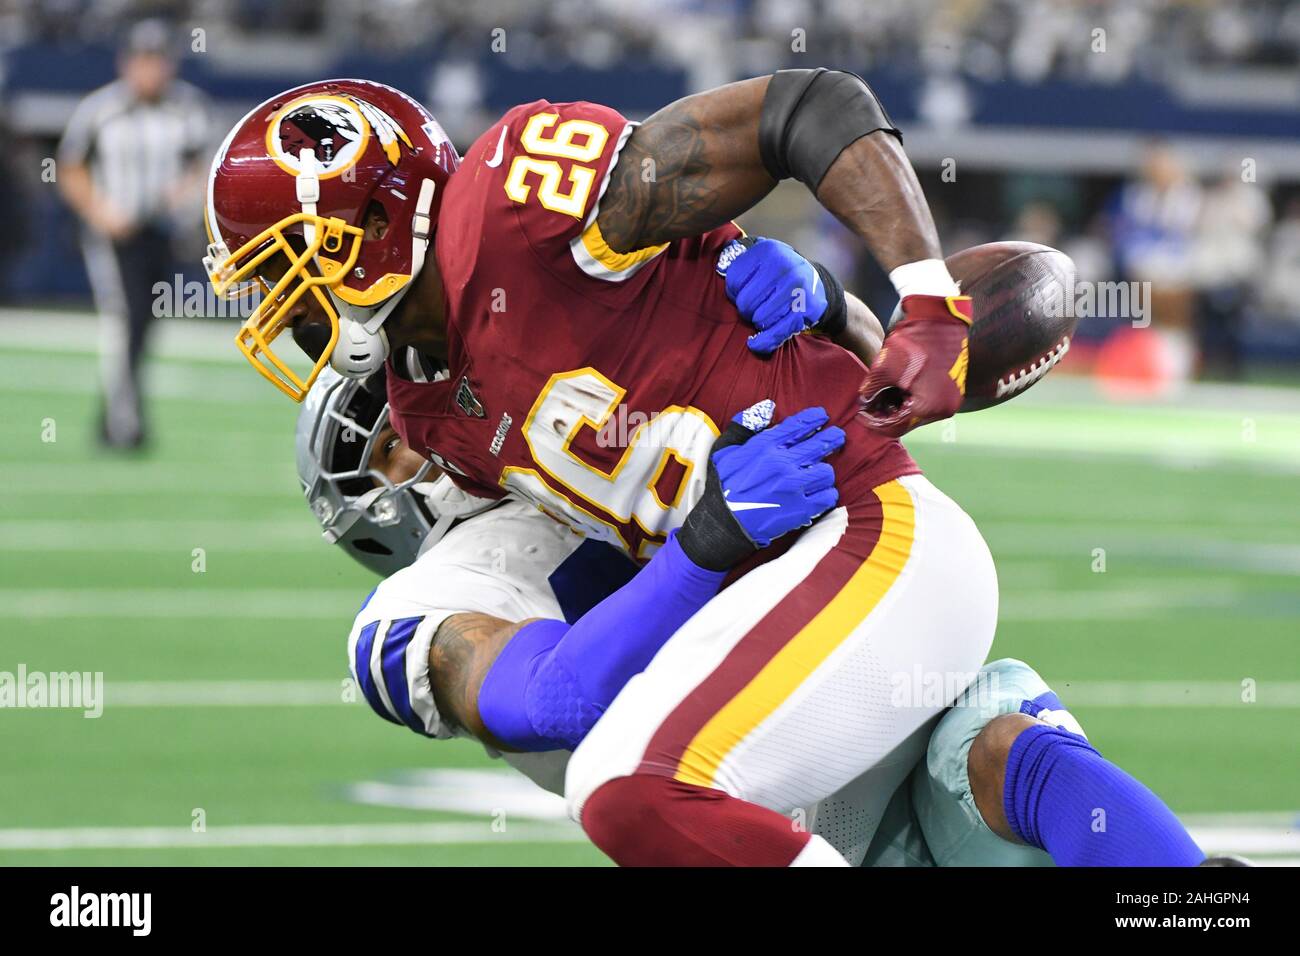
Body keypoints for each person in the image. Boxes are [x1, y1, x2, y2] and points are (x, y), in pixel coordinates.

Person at [204, 76, 1198, 867]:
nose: (282, 309)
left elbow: (809, 110)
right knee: (971, 768)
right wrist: (822, 333)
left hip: (859, 534)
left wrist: (914, 304)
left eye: (288, 266)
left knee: (629, 783)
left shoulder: (517, 204)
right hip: (791, 589)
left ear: (370, 237)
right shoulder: (434, 408)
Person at [58, 20, 211, 449]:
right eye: (144, 60)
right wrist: (99, 210)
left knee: (143, 324)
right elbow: (70, 167)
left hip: (160, 232)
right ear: (127, 63)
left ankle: (113, 417)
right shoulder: (101, 109)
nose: (151, 70)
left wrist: (177, 200)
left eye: (158, 60)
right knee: (124, 319)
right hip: (115, 233)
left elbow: (201, 167)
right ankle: (125, 425)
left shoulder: (187, 108)